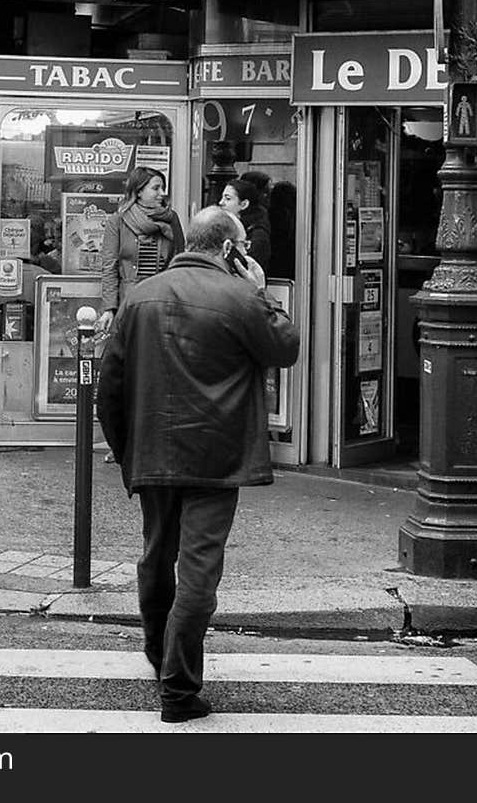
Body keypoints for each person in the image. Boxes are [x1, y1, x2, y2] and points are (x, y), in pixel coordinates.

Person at [96, 205, 299, 724]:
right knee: (199, 572)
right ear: (231, 249)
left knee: (156, 555)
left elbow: (110, 391)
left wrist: (127, 452)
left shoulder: (140, 296)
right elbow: (286, 347)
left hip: (154, 452)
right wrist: (259, 288)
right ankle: (179, 688)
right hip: (217, 455)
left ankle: (156, 649)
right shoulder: (239, 296)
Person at [97, 167, 185, 338]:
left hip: (163, 300)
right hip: (131, 301)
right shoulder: (118, 221)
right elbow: (109, 267)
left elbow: (180, 260)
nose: (162, 193)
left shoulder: (171, 218)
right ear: (138, 191)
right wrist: (109, 308)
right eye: (156, 188)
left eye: (163, 188)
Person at [218, 176, 272, 272]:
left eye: (228, 198)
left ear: (244, 204)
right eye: (222, 197)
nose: (221, 202)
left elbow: (248, 269)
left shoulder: (258, 235)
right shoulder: (224, 228)